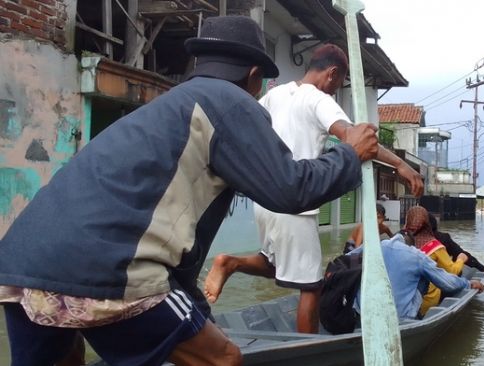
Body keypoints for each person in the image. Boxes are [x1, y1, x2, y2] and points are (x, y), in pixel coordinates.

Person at [0, 16, 380, 366]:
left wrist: (198, 312)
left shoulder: (170, 104)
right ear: (252, 76)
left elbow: (181, 250)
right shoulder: (231, 102)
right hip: (108, 266)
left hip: (23, 264)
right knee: (223, 359)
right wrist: (349, 155)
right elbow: (292, 188)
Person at [203, 44, 423, 334]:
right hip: (297, 202)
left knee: (272, 265)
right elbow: (356, 139)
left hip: (264, 200)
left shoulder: (273, 95)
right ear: (332, 74)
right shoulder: (318, 100)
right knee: (312, 287)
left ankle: (229, 262)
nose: (336, 90)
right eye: (339, 83)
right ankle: (306, 350)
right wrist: (401, 165)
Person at [347, 234, 484, 320]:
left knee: (358, 269)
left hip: (362, 311)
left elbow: (345, 260)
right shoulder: (416, 255)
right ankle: (417, 316)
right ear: (411, 245)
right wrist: (468, 284)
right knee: (424, 275)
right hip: (401, 316)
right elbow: (447, 282)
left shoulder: (374, 246)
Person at [404, 206, 470, 316]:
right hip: (425, 302)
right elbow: (452, 272)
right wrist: (461, 259)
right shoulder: (435, 247)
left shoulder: (400, 243)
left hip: (403, 299)